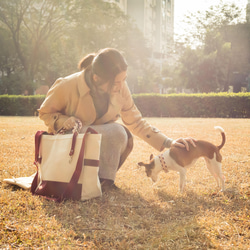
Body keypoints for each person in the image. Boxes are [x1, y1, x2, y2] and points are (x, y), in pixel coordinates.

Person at [38, 48, 195, 191]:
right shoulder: (67, 85)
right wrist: (64, 120)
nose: (121, 86)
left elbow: (136, 121)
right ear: (96, 78)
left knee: (122, 134)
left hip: (93, 140)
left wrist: (169, 142)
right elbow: (45, 113)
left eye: (124, 80)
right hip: (70, 142)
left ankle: (104, 182)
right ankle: (84, 179)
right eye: (117, 82)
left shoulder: (121, 88)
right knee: (115, 131)